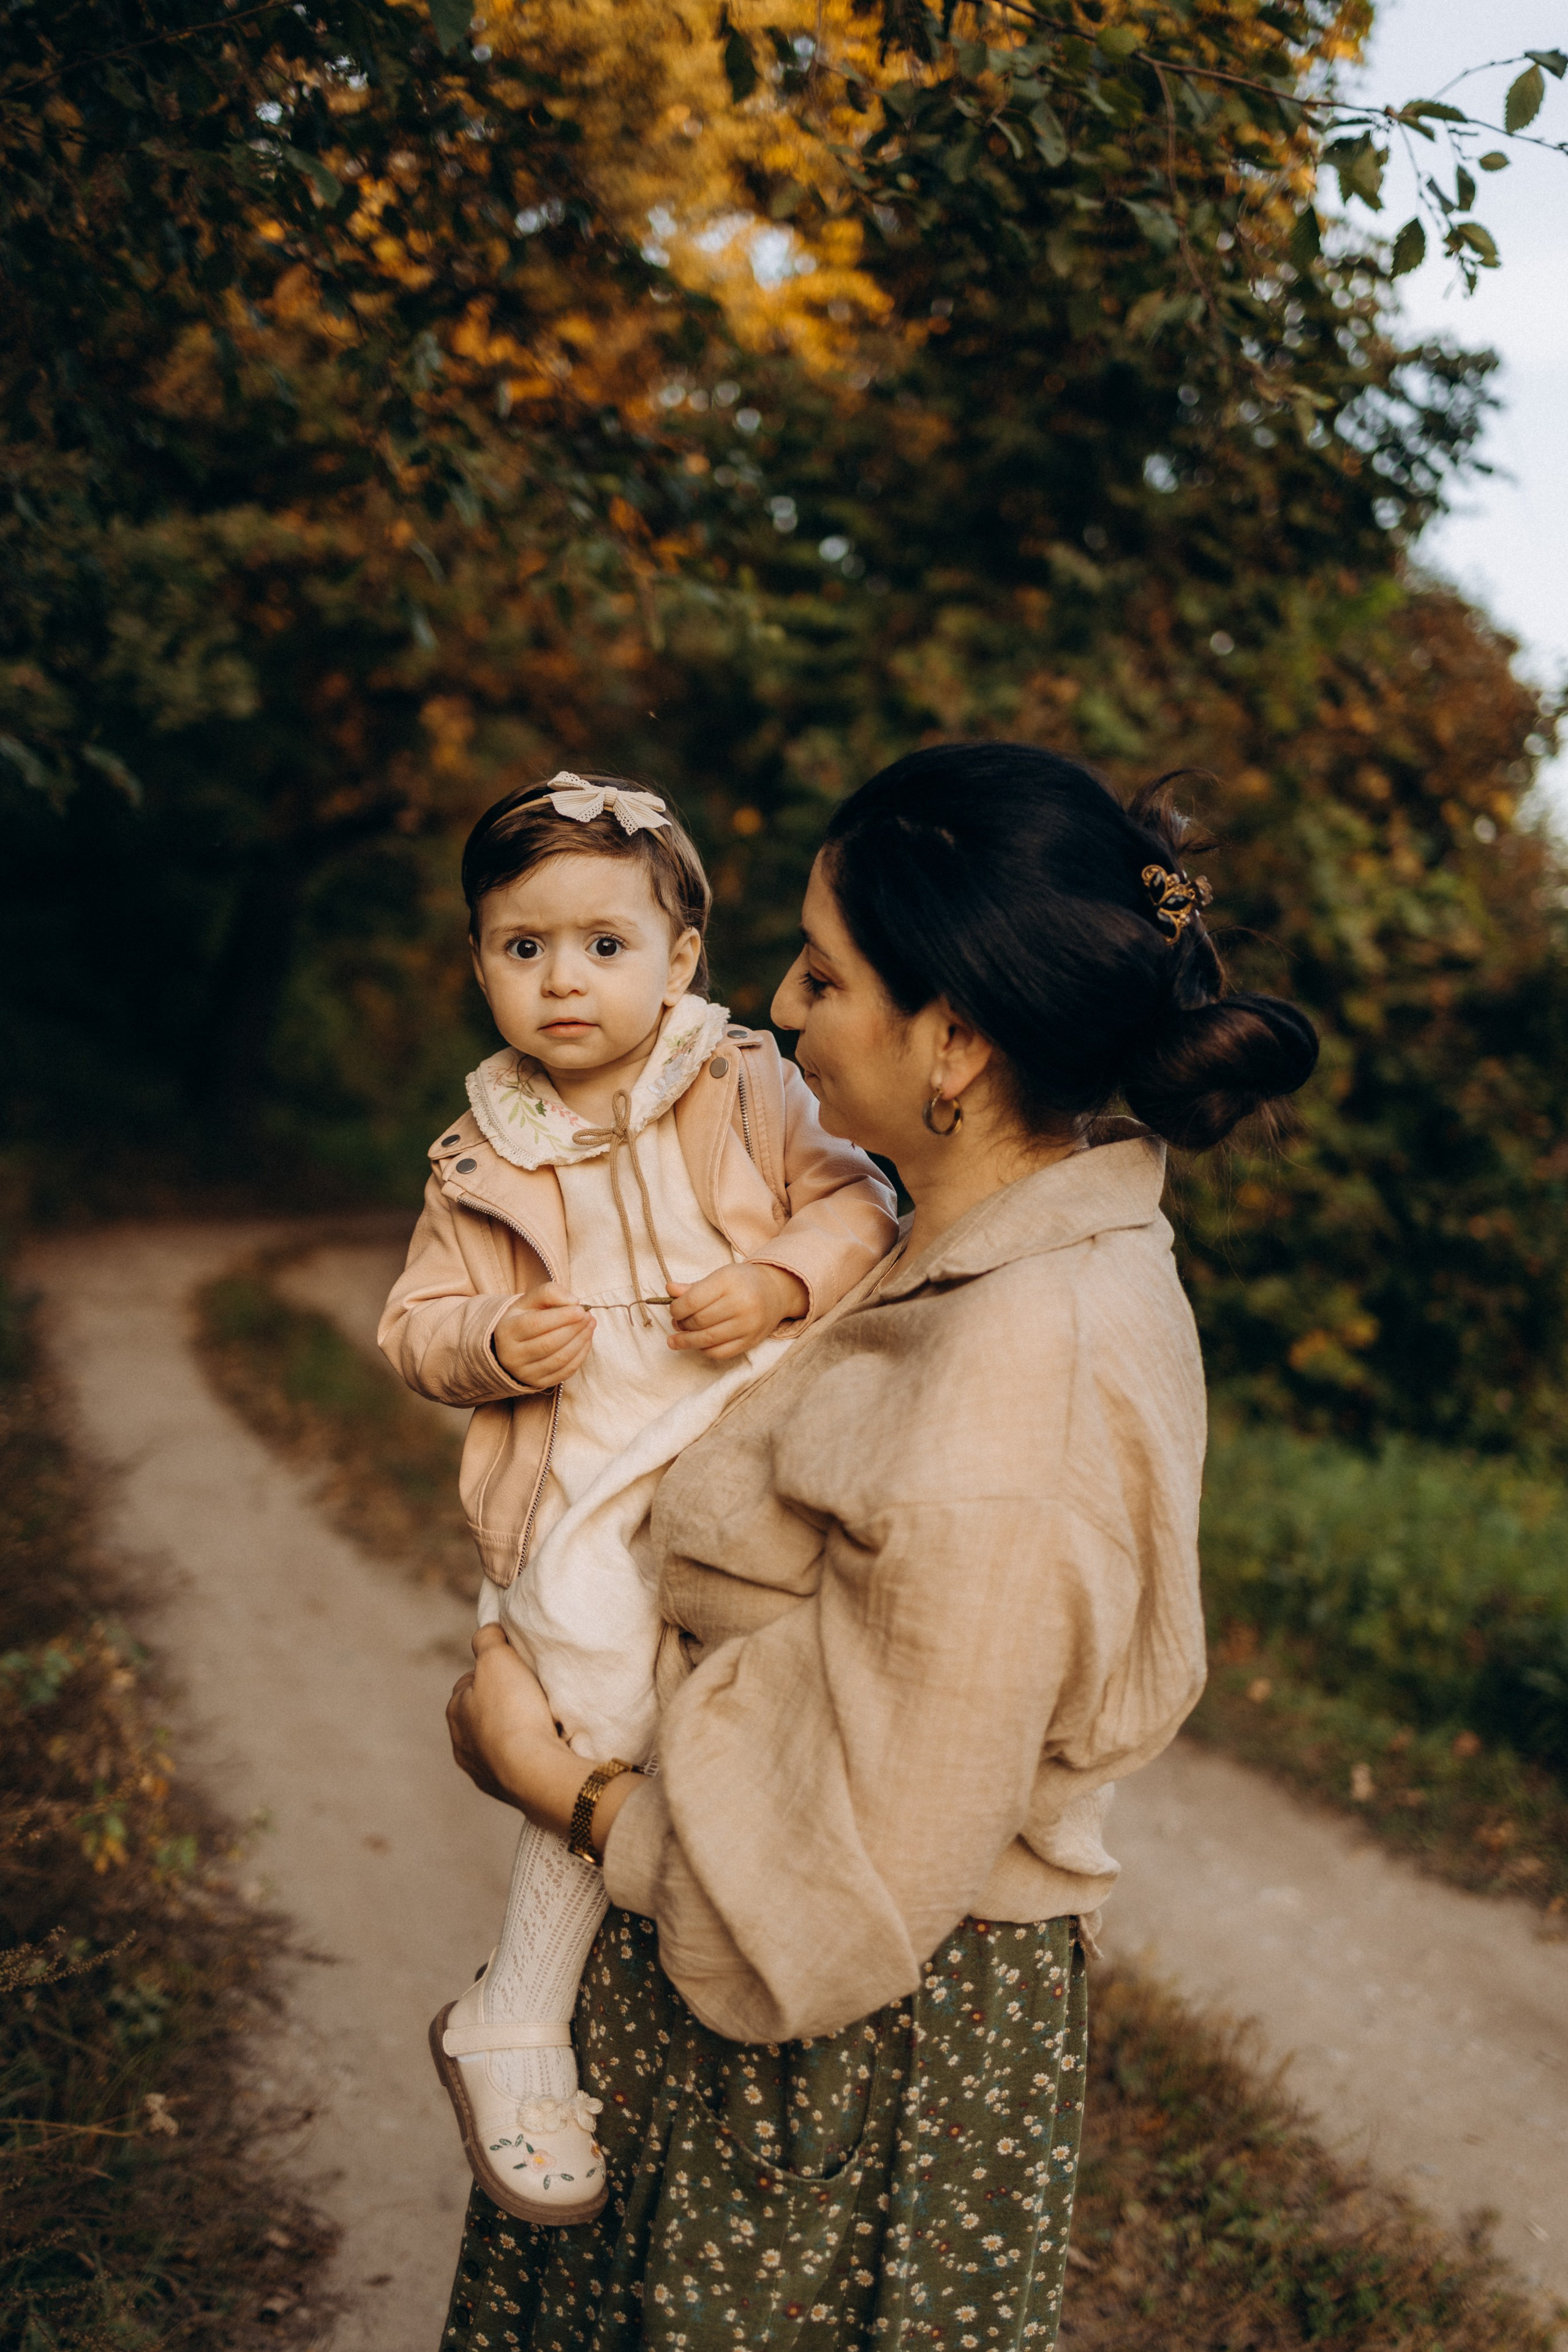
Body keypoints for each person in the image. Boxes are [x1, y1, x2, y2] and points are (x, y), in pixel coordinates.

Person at [440, 741, 1319, 2351]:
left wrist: (548, 1778)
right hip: (740, 2021)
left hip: (828, 2086)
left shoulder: (1022, 1363)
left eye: (827, 973)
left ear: (959, 1043)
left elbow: (828, 1901)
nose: (779, 1004)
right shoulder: (941, 1253)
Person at [378, 771, 897, 2225]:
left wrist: (778, 1278)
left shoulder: (743, 1080)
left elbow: (861, 1201)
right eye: (520, 945)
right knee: (598, 1709)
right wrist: (488, 1343)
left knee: (758, 1713)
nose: (560, 979)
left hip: (746, 1427)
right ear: (478, 960)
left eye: (604, 946)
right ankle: (518, 2014)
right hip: (582, 1483)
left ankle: (741, 2006)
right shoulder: (479, 1150)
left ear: (680, 960)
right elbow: (411, 1324)